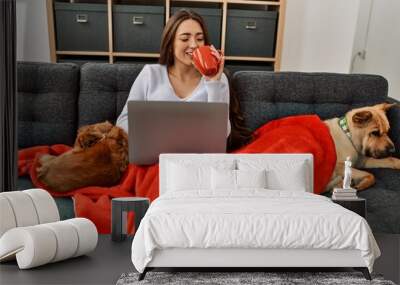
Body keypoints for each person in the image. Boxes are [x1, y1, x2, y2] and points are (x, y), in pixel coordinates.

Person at [116, 9, 231, 136]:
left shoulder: (219, 79)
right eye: (184, 38)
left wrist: (213, 83)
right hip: (155, 153)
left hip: (198, 155)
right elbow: (123, 122)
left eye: (199, 38)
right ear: (170, 44)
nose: (194, 45)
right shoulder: (150, 74)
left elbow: (222, 133)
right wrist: (157, 132)